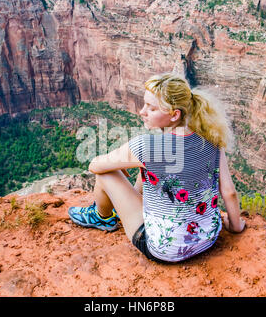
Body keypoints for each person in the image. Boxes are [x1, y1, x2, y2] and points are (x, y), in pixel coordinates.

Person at [68, 73, 245, 263]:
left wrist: (121, 164)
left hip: (165, 250)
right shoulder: (212, 138)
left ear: (174, 114)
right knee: (146, 170)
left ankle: (102, 218)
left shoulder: (147, 145)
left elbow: (95, 165)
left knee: (107, 175)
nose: (142, 112)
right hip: (207, 239)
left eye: (151, 108)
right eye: (144, 104)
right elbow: (229, 192)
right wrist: (235, 227)